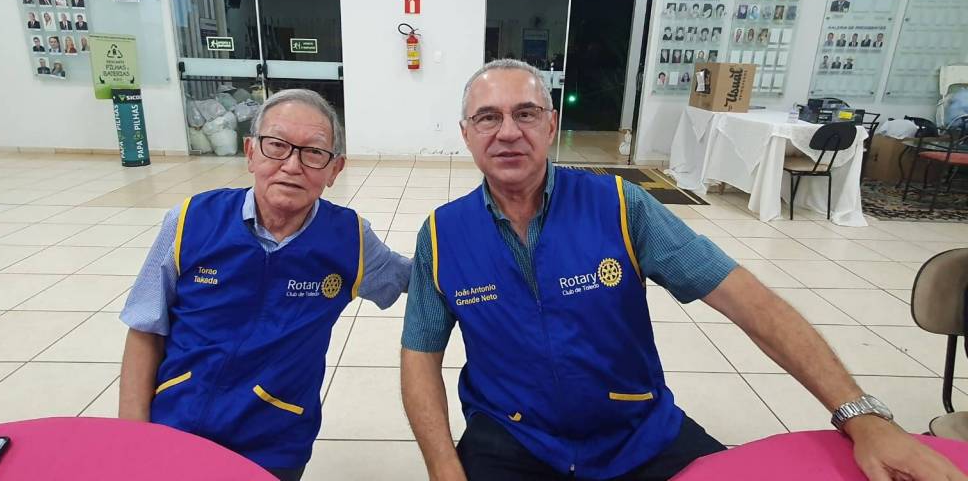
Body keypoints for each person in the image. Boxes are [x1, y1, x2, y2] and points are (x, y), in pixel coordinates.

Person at [399, 59, 967, 481]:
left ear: (551, 126)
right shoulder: (442, 236)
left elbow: (753, 303)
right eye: (488, 118)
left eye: (525, 114)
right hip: (512, 441)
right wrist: (444, 468)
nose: (507, 131)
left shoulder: (621, 207)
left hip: (636, 434)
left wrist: (862, 417)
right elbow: (419, 359)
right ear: (466, 134)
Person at [118, 89, 410, 481]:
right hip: (176, 423)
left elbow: (412, 277)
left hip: (276, 440)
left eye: (313, 152)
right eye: (276, 145)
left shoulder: (350, 239)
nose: (292, 165)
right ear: (251, 152)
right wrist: (133, 438)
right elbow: (145, 329)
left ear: (334, 169)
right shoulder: (190, 220)